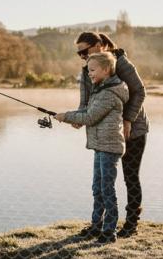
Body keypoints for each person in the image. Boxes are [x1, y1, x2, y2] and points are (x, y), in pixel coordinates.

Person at [74, 32, 149, 238]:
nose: (82, 56)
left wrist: (127, 120)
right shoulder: (88, 71)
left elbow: (140, 91)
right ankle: (98, 225)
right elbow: (85, 104)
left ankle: (131, 223)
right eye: (79, 54)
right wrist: (76, 119)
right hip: (105, 134)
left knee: (130, 177)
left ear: (99, 44)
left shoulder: (121, 63)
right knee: (102, 183)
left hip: (133, 131)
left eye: (84, 51)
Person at [54, 52, 129, 243]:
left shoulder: (110, 93)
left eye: (93, 70)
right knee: (97, 188)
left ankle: (109, 231)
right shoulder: (100, 89)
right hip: (99, 146)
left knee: (107, 189)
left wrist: (66, 117)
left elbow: (90, 117)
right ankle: (96, 226)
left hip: (109, 148)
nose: (90, 74)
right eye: (88, 71)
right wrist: (72, 116)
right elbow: (88, 113)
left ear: (106, 69)